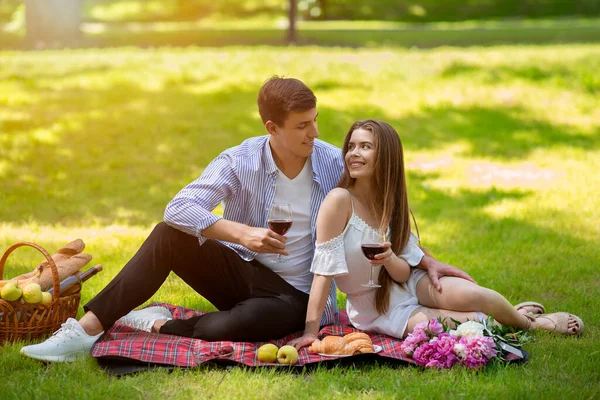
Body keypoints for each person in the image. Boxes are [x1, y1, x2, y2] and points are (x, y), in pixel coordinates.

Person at [21, 78, 472, 363]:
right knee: (167, 235)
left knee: (223, 328)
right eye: (302, 126)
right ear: (271, 128)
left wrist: (424, 258)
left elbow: (381, 209)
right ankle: (84, 333)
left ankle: (157, 324)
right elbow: (177, 208)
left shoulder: (333, 161)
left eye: (315, 121)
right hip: (242, 271)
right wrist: (240, 234)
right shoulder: (241, 160)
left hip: (294, 295)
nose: (315, 134)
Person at [288, 119, 584, 351]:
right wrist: (311, 332)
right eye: (351, 146)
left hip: (408, 285)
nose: (354, 153)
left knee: (480, 295)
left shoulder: (389, 201)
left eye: (365, 146)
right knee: (472, 323)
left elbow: (404, 268)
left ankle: (520, 319)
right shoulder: (339, 201)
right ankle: (529, 323)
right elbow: (322, 272)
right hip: (376, 309)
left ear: (386, 155)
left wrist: (425, 263)